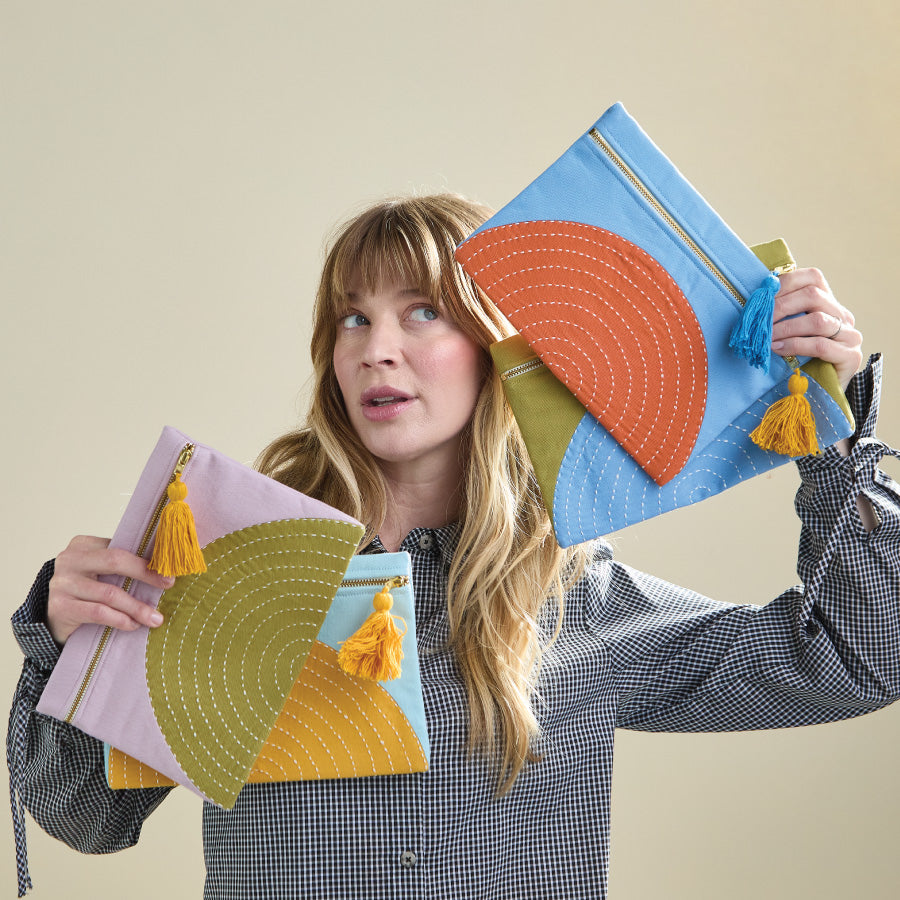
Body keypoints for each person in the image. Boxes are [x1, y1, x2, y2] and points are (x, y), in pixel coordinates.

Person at [8, 194, 899, 899]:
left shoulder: (573, 599)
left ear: (497, 349)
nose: (376, 350)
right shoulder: (238, 566)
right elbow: (84, 817)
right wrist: (67, 638)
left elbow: (860, 660)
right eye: (352, 319)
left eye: (422, 312)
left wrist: (836, 436)